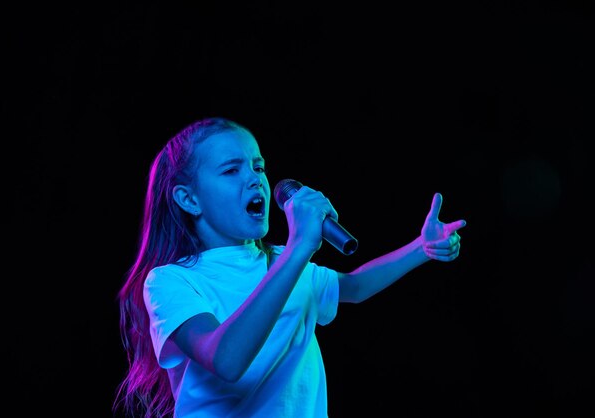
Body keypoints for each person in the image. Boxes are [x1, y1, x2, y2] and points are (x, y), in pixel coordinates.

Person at [113, 116, 467, 418]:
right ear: (189, 199)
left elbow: (355, 286)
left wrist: (422, 248)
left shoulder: (283, 261)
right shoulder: (171, 281)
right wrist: (299, 249)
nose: (254, 179)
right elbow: (225, 360)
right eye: (231, 170)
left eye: (258, 166)